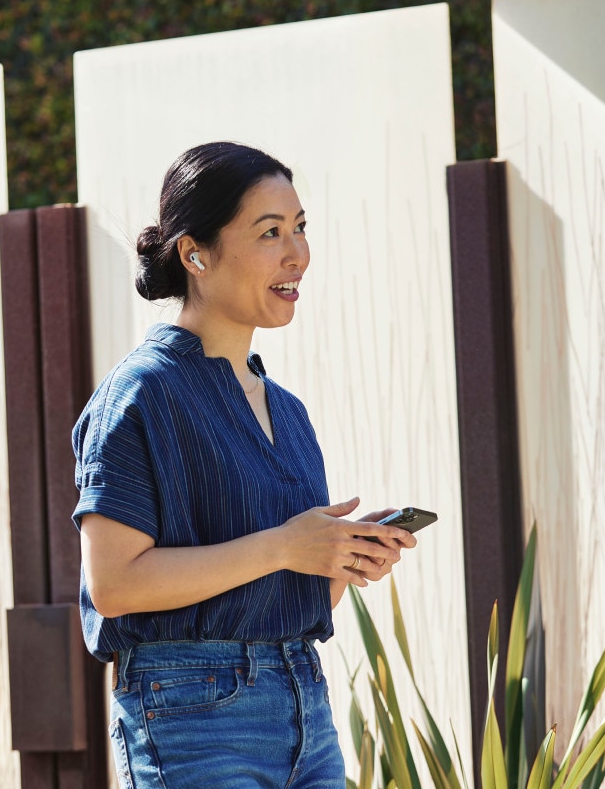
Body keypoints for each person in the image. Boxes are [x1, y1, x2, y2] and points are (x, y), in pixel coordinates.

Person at [72, 141, 417, 788]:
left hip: (305, 705)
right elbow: (113, 585)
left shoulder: (287, 411)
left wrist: (337, 558)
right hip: (195, 717)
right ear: (195, 253)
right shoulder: (143, 393)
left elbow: (281, 592)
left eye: (300, 228)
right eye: (270, 233)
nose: (298, 254)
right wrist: (284, 547)